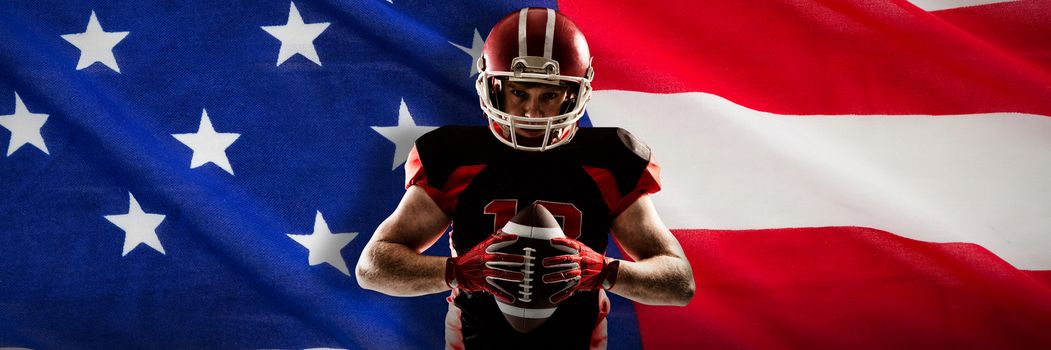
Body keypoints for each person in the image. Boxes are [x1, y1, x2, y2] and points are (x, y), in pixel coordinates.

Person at [355, 7, 694, 349]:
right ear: (495, 87)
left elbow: (679, 282)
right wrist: (456, 271)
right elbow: (372, 267)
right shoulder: (455, 155)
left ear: (575, 93)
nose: (532, 111)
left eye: (549, 95)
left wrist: (604, 271)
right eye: (519, 93)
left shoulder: (610, 158)